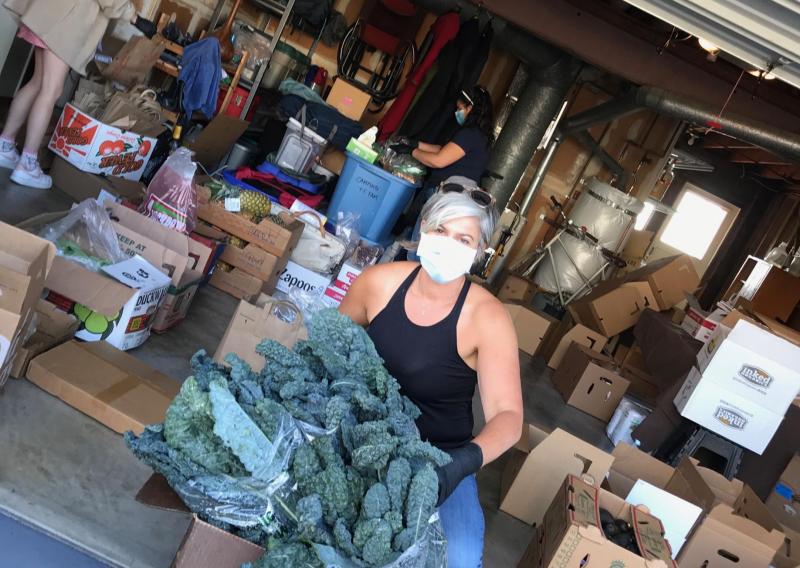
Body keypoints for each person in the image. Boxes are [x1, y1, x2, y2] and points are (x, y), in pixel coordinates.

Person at [339, 186, 523, 567]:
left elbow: (509, 418)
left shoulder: (488, 318)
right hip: (361, 434)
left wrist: (459, 466)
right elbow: (329, 347)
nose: (448, 243)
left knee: (459, 558)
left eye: (464, 239)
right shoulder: (377, 283)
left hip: (439, 460)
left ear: (480, 251)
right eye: (440, 230)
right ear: (423, 228)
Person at [0, 0, 156, 189]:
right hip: (66, 24)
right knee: (51, 90)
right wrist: (135, 18)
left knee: (37, 82)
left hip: (52, 13)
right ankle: (27, 164)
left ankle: (5, 146)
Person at [392, 85, 494, 260]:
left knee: (421, 246)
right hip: (454, 196)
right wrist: (415, 144)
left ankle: (409, 275)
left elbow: (439, 160)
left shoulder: (470, 134)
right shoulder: (477, 134)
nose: (457, 112)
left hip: (448, 196)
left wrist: (411, 152)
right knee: (422, 243)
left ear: (471, 108)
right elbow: (444, 149)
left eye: (460, 108)